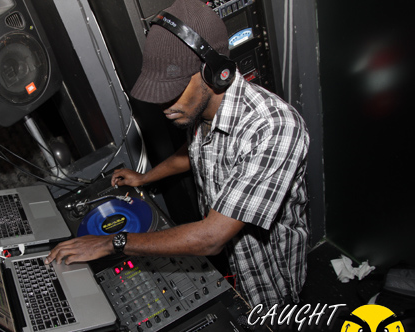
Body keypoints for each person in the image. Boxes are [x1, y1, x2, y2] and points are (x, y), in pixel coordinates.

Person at [46, 0, 310, 311]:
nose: (164, 107)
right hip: (229, 263)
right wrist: (145, 177)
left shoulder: (275, 129)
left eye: (173, 91)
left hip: (268, 274)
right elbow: (195, 151)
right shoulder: (199, 110)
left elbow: (211, 237)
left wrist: (111, 242)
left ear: (214, 73)